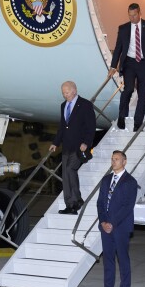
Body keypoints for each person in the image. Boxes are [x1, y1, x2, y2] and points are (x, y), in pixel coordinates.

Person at [108, 3, 145, 132]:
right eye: (130, 15)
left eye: (134, 15)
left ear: (140, 13)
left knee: (142, 94)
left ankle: (138, 123)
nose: (132, 18)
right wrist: (113, 66)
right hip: (129, 63)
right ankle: (122, 117)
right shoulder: (123, 28)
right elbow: (118, 49)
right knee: (128, 89)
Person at [92, 150, 138, 287]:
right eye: (112, 159)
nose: (113, 162)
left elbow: (127, 206)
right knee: (108, 259)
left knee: (123, 259)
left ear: (124, 162)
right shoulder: (106, 180)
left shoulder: (130, 182)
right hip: (106, 227)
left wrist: (112, 223)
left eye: (116, 159)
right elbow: (100, 203)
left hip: (120, 227)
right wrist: (103, 222)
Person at [49, 80, 96, 215]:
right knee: (65, 175)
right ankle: (69, 204)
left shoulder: (85, 105)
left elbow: (91, 126)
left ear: (74, 90)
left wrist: (86, 143)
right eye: (63, 93)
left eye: (67, 92)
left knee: (70, 170)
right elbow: (62, 127)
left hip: (79, 147)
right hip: (66, 146)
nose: (65, 95)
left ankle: (77, 200)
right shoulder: (63, 105)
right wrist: (55, 143)